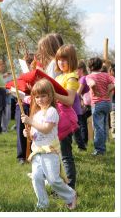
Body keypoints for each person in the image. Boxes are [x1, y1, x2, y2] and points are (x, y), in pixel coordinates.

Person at [21, 79, 77, 210]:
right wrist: (27, 133)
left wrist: (31, 122)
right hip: (37, 152)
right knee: (36, 177)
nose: (39, 99)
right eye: (37, 96)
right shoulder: (36, 115)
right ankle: (42, 204)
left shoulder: (52, 111)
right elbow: (34, 136)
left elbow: (46, 129)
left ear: (50, 96)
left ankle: (71, 195)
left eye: (43, 96)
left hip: (50, 152)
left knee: (53, 179)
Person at [55, 44, 80, 189]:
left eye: (64, 59)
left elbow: (69, 100)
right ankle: (60, 187)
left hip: (65, 119)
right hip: (55, 118)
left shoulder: (72, 77)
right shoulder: (59, 77)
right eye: (59, 59)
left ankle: (70, 189)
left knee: (65, 156)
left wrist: (52, 94)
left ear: (71, 60)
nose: (61, 62)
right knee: (56, 156)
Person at [86, 57, 114, 155]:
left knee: (98, 128)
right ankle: (104, 145)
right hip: (107, 103)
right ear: (100, 65)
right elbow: (114, 83)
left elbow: (92, 84)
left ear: (90, 66)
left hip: (97, 104)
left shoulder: (89, 77)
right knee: (104, 125)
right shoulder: (106, 75)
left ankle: (99, 150)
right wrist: (108, 91)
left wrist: (94, 91)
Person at [77, 60, 92, 145]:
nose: (75, 72)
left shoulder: (83, 79)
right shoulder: (87, 77)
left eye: (76, 70)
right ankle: (83, 141)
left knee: (82, 123)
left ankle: (83, 142)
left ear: (81, 69)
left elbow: (78, 93)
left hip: (84, 104)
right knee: (82, 122)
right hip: (88, 103)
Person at [108, 63, 115, 138]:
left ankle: (114, 136)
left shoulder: (112, 79)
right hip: (112, 102)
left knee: (113, 121)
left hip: (113, 102)